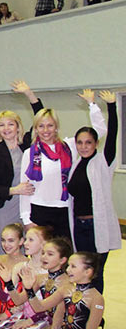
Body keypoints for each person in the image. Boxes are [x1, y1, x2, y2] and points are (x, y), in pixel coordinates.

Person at [19, 91, 106, 241]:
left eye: (50, 125)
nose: (46, 130)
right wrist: (26, 219)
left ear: (56, 127)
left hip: (64, 210)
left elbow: (100, 131)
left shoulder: (70, 146)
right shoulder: (29, 153)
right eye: (41, 126)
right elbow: (25, 188)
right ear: (36, 128)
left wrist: (92, 105)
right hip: (38, 210)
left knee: (64, 253)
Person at [67, 90, 118, 293]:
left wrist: (111, 106)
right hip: (79, 228)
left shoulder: (103, 162)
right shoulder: (76, 164)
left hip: (96, 227)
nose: (84, 146)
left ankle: (95, 310)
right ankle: (81, 308)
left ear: (96, 143)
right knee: (80, 273)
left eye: (88, 142)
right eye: (80, 142)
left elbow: (112, 134)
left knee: (95, 273)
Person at [0, 81, 43, 249]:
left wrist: (29, 94)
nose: (6, 128)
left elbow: (41, 118)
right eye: (2, 125)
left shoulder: (27, 146)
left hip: (29, 205)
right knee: (5, 249)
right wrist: (15, 190)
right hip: (7, 206)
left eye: (10, 124)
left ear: (18, 127)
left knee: (30, 248)